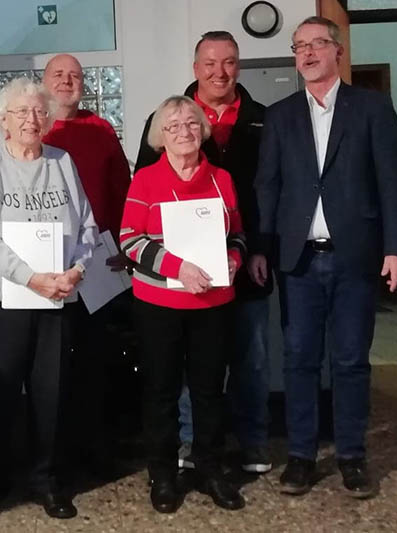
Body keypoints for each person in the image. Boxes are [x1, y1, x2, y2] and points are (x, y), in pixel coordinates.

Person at [253, 16, 397, 498]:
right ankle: (301, 456)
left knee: (349, 361)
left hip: (355, 259)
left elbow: (391, 181)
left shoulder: (372, 107)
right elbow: (268, 187)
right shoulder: (280, 115)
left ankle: (351, 456)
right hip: (298, 260)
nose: (306, 53)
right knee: (299, 360)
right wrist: (261, 248)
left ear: (337, 52)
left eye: (316, 44)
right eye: (299, 46)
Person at [135, 31, 272, 474]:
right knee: (166, 385)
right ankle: (180, 456)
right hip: (165, 295)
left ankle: (237, 452)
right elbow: (135, 228)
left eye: (229, 62)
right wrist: (175, 266)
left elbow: (261, 199)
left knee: (238, 366)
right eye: (209, 63)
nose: (219, 71)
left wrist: (237, 256)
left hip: (228, 281)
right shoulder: (149, 170)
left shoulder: (260, 122)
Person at [0, 77, 97, 521]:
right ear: (3, 120)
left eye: (39, 111)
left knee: (51, 393)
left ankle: (47, 480)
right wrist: (31, 277)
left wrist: (76, 269)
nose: (32, 119)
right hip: (4, 299)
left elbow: (87, 226)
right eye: (21, 112)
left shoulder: (63, 161)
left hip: (58, 297)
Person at [120, 95, 247, 513]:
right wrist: (179, 268)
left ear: (203, 130)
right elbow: (130, 241)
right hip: (158, 304)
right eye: (173, 126)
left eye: (191, 124)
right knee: (161, 392)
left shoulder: (222, 179)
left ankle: (210, 469)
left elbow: (238, 235)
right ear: (160, 137)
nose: (184, 132)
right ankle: (162, 475)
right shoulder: (146, 181)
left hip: (213, 303)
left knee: (211, 391)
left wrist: (232, 259)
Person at [41, 53, 132, 476]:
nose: (66, 81)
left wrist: (124, 248)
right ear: (43, 82)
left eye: (74, 76)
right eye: (58, 74)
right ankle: (54, 451)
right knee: (53, 360)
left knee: (97, 357)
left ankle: (98, 447)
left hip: (98, 260)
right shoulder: (32, 126)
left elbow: (122, 191)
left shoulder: (99, 130)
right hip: (47, 263)